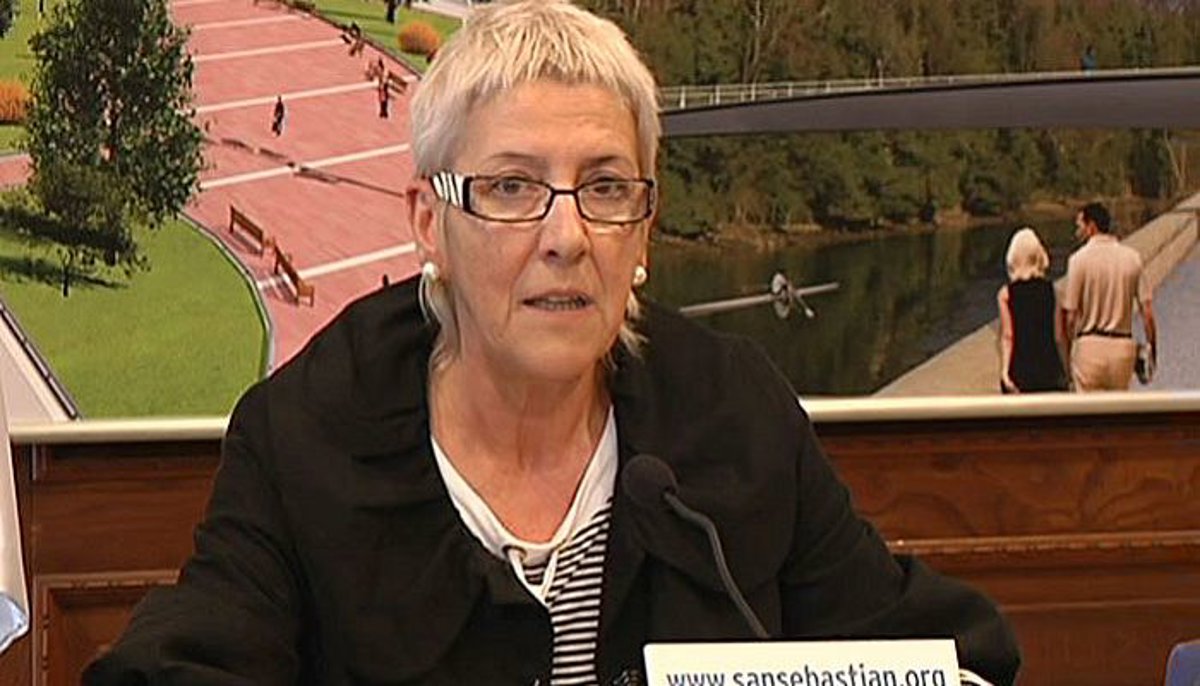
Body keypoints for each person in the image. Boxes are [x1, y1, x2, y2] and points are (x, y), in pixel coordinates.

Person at [84, 2, 1020, 684]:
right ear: (429, 224)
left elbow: (939, 653)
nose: (567, 236)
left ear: (644, 231)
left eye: (606, 188)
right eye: (511, 188)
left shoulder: (735, 414)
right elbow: (187, 657)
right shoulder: (307, 434)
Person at [1062, 202, 1157, 391]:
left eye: (1080, 226)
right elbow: (1147, 314)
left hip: (1089, 349)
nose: (1077, 232)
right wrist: (1152, 349)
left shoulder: (1078, 260)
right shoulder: (1132, 258)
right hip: (1122, 350)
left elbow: (1070, 317)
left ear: (1091, 226)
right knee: (1119, 408)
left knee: (1087, 407)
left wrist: (1068, 354)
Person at [997, 227, 1066, 393]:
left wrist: (1005, 371)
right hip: (1048, 367)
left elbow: (1008, 336)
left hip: (1020, 367)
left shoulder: (1006, 294)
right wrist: (1066, 368)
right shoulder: (1053, 291)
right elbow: (1059, 335)